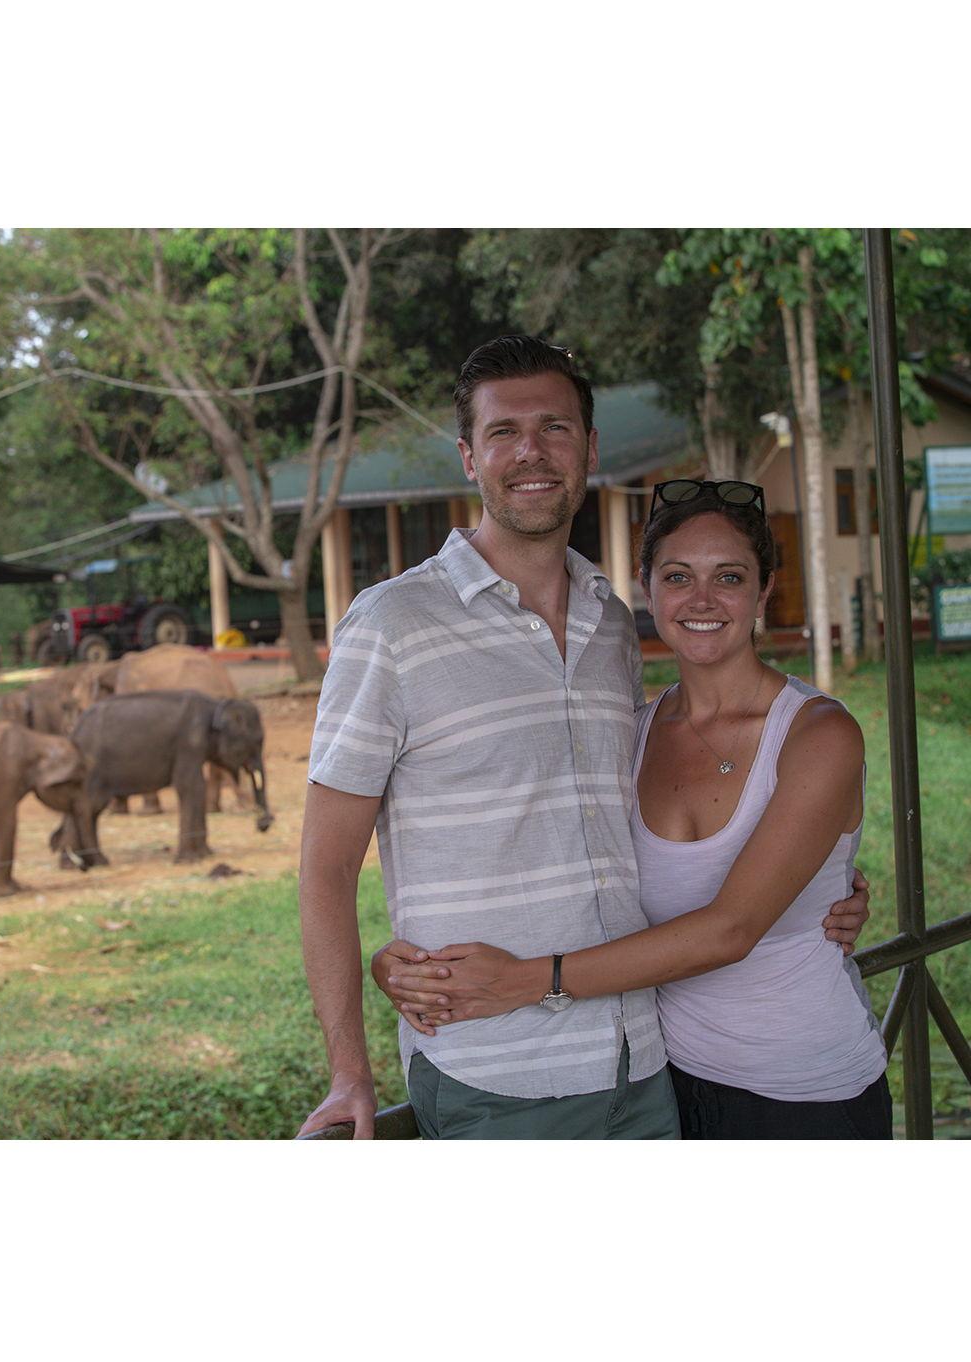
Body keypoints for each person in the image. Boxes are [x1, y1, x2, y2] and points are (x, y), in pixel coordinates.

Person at [296, 335, 870, 1140]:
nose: (531, 452)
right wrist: (349, 1071)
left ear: (590, 448)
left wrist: (828, 887)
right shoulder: (391, 625)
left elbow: (664, 846)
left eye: (555, 428)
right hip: (492, 1071)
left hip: (642, 1063)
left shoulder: (611, 625)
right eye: (503, 432)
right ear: (469, 456)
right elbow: (323, 868)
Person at [374, 478, 891, 1139]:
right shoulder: (633, 733)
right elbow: (553, 859)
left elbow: (732, 929)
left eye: (729, 577)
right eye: (678, 576)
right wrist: (404, 963)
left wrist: (526, 981)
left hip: (801, 1091)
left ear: (763, 592)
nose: (702, 599)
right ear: (649, 591)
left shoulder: (820, 734)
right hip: (662, 1084)